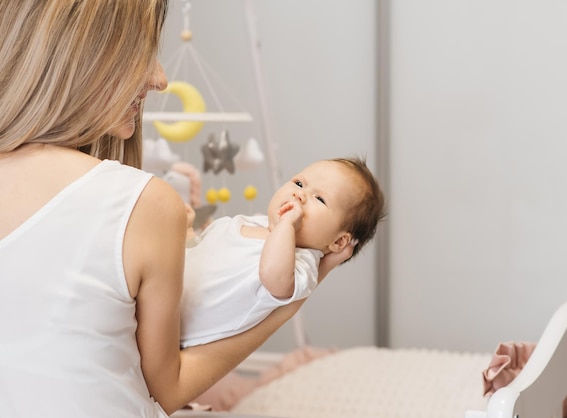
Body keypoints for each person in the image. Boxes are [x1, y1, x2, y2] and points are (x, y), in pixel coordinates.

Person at [0, 1, 353, 417]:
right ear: (87, 54)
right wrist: (291, 303)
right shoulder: (141, 202)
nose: (160, 79)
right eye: (144, 51)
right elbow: (165, 391)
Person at [181, 157, 386, 347]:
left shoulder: (301, 263)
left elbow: (274, 279)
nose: (300, 194)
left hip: (175, 324)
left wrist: (286, 226)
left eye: (320, 199)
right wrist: (189, 233)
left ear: (339, 241)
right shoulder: (253, 223)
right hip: (169, 288)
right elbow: (202, 257)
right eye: (299, 183)